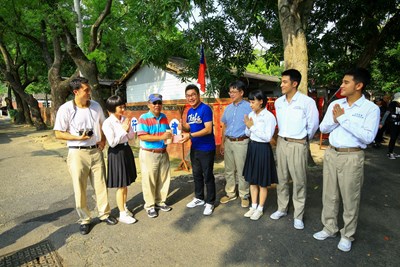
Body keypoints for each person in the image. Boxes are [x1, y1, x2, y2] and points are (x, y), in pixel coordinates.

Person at [313, 68, 380, 252]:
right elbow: (323, 127)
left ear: (359, 86)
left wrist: (342, 119)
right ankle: (329, 227)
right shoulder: (337, 104)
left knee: (350, 197)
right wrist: (336, 119)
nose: (341, 86)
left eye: (346, 82)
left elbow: (368, 137)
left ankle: (347, 234)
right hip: (332, 153)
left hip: (352, 156)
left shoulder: (370, 109)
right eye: (342, 82)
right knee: (329, 194)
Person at [53, 77, 117, 235]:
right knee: (79, 187)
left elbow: (103, 124)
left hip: (95, 151)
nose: (90, 92)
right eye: (86, 90)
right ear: (76, 92)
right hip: (77, 152)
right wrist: (77, 138)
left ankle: (104, 214)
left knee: (101, 184)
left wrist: (102, 140)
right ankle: (85, 219)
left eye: (89, 89)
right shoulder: (66, 109)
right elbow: (58, 133)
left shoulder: (95, 106)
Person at [270, 69, 319, 230]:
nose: (281, 85)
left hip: (298, 144)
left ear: (294, 83)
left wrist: (303, 139)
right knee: (282, 178)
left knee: (299, 181)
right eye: (281, 81)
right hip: (282, 143)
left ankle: (298, 215)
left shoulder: (306, 102)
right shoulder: (279, 102)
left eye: (285, 82)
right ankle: (282, 208)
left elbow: (313, 125)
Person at [180, 84, 216, 216]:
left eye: (193, 95)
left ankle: (210, 202)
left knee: (208, 176)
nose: (191, 98)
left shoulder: (205, 109)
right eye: (188, 96)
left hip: (206, 148)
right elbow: (190, 127)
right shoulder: (190, 111)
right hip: (195, 148)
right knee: (196, 175)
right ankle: (199, 198)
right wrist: (183, 127)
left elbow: (208, 129)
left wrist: (189, 135)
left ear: (198, 95)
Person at [242, 90, 278, 220]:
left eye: (253, 102)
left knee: (262, 181)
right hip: (252, 147)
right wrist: (247, 126)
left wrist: (252, 127)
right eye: (250, 102)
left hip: (263, 149)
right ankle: (253, 206)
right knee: (252, 180)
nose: (251, 105)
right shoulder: (252, 114)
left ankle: (260, 208)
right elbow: (248, 133)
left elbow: (268, 136)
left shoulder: (269, 117)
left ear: (261, 101)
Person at [102, 95, 137, 224]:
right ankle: (122, 214)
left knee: (125, 183)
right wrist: (124, 130)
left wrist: (129, 130)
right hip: (116, 153)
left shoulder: (124, 119)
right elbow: (111, 142)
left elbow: (131, 136)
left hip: (126, 150)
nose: (123, 109)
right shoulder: (108, 123)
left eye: (123, 106)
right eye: (120, 107)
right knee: (120, 185)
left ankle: (124, 207)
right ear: (112, 108)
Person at [137, 93, 172, 218]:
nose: (157, 105)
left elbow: (167, 132)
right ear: (149, 104)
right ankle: (150, 205)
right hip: (149, 153)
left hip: (163, 152)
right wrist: (161, 137)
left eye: (159, 103)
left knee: (163, 178)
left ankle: (160, 201)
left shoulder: (163, 117)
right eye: (154, 103)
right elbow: (142, 135)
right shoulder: (144, 117)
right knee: (149, 180)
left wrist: (170, 137)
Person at [220, 80, 252, 208]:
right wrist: (222, 143)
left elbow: (253, 124)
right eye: (230, 92)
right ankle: (230, 193)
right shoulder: (228, 108)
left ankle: (244, 195)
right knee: (228, 170)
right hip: (228, 142)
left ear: (241, 92)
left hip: (241, 142)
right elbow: (224, 126)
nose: (231, 94)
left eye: (234, 91)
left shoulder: (249, 107)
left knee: (242, 170)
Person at [384, 92, 400, 159]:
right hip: (393, 124)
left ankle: (392, 152)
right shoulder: (393, 104)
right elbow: (387, 113)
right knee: (393, 138)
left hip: (398, 124)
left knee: (395, 138)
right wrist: (382, 122)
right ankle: (390, 153)